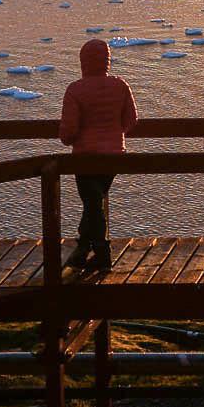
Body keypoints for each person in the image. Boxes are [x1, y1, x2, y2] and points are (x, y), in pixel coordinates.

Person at [58, 38, 137, 271]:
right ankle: (83, 250)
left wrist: (67, 137)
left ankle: (102, 254)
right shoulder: (120, 85)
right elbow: (131, 121)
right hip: (113, 155)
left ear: (83, 62)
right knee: (94, 202)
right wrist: (113, 134)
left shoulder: (75, 90)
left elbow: (69, 132)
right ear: (107, 61)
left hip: (85, 157)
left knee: (92, 203)